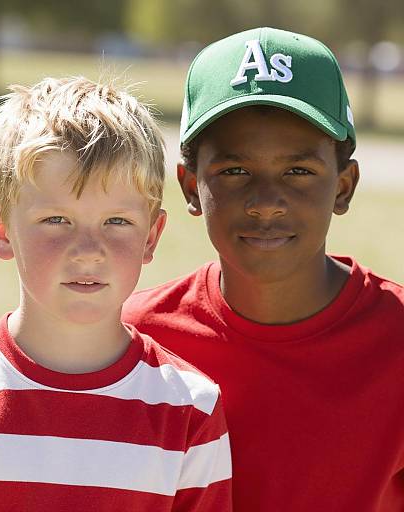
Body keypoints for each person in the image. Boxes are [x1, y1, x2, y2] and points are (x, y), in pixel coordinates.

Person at [0, 77, 232, 511]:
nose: (89, 251)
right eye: (56, 220)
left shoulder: (189, 409)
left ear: (152, 236)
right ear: (1, 231)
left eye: (117, 222)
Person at [123, 27, 404, 511]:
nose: (266, 203)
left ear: (343, 185)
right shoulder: (132, 339)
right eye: (235, 171)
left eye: (298, 171)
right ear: (191, 186)